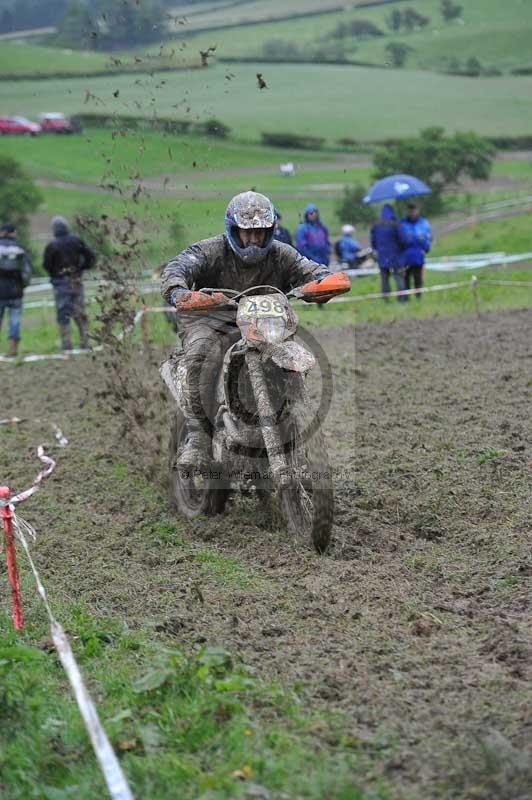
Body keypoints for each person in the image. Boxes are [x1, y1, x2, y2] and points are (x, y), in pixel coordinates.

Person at [161, 191, 337, 470]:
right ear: (233, 230)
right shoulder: (211, 250)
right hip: (213, 319)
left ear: (270, 231)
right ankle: (197, 438)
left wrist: (326, 281)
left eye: (260, 233)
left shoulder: (281, 254)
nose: (254, 239)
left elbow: (312, 269)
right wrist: (179, 290)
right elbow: (178, 267)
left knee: (289, 355)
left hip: (265, 322)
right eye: (247, 233)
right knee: (201, 355)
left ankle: (291, 413)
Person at [43, 216, 96, 351]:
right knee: (79, 311)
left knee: (63, 313)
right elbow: (91, 257)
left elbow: (46, 265)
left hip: (60, 283)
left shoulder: (51, 245)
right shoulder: (76, 240)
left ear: (54, 230)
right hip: (76, 280)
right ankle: (85, 341)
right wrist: (82, 268)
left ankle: (66, 344)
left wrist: (55, 275)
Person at [0, 223, 32, 357]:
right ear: (13, 233)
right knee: (14, 321)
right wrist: (23, 286)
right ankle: (12, 351)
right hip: (16, 291)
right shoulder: (20, 248)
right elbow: (27, 272)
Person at [370, 204, 406, 302]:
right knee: (398, 277)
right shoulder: (395, 224)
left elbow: (373, 241)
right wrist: (401, 249)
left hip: (382, 256)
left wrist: (378, 250)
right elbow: (403, 240)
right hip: (395, 255)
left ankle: (385, 299)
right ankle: (401, 299)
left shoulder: (376, 225)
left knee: (384, 279)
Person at [398, 202, 432, 300]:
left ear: (417, 211)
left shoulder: (423, 223)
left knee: (418, 278)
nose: (412, 213)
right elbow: (399, 239)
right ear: (407, 212)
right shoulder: (402, 223)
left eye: (414, 210)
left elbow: (428, 237)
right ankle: (406, 298)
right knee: (406, 278)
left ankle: (418, 297)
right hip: (405, 256)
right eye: (410, 211)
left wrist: (426, 248)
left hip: (418, 256)